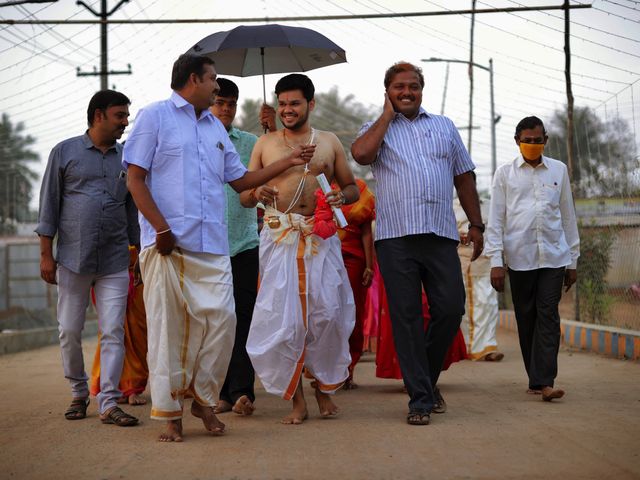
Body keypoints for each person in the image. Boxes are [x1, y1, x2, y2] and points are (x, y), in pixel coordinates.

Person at [124, 54, 315, 442]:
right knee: (169, 330)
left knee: (223, 324)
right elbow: (135, 179)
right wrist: (160, 228)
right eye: (212, 80)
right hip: (168, 245)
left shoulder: (213, 127)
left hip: (213, 244)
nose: (217, 87)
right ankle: (171, 414)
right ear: (194, 79)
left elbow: (242, 180)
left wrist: (290, 160)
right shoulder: (154, 116)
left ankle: (203, 399)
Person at [351, 62, 484, 426]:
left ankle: (422, 379)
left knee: (450, 308)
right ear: (387, 92)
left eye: (412, 86)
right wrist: (385, 117)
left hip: (440, 235)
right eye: (398, 87)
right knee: (406, 317)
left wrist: (476, 224)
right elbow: (361, 155)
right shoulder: (375, 130)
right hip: (395, 239)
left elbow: (463, 176)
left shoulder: (443, 126)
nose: (406, 92)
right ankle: (421, 399)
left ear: (421, 90)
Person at [240, 73, 359, 425]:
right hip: (280, 239)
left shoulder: (329, 142)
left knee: (327, 317)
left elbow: (351, 187)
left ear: (311, 104)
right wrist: (257, 193)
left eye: (294, 103)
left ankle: (324, 390)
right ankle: (298, 401)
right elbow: (245, 195)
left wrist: (341, 196)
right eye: (282, 104)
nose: (287, 110)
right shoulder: (266, 145)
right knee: (285, 322)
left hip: (321, 240)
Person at [36, 89, 140, 427]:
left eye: (126, 116)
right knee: (69, 330)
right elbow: (49, 204)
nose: (125, 122)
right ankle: (79, 393)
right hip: (71, 259)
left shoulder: (127, 158)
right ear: (98, 116)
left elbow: (132, 209)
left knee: (113, 330)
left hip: (114, 259)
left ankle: (109, 402)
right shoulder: (64, 152)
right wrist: (45, 255)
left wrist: (137, 251)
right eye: (119, 115)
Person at [485, 115, 579, 402]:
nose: (533, 145)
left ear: (545, 141)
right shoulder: (504, 174)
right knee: (526, 318)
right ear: (517, 141)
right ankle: (535, 379)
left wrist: (572, 260)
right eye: (527, 141)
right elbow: (496, 219)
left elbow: (567, 215)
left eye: (538, 141)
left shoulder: (559, 170)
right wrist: (496, 261)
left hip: (554, 255)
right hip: (520, 257)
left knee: (548, 314)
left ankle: (545, 381)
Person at [209, 78, 264, 416]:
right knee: (214, 320)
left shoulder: (251, 142)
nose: (226, 108)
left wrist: (272, 132)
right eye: (219, 102)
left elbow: (272, 168)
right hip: (206, 246)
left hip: (244, 243)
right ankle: (216, 389)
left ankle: (241, 391)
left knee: (244, 317)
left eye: (231, 102)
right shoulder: (193, 141)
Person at [90, 246, 148, 406]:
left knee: (137, 338)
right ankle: (116, 388)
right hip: (109, 278)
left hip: (137, 280)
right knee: (111, 334)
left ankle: (132, 389)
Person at [332, 178, 375, 389]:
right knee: (325, 313)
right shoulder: (314, 183)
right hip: (322, 256)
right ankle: (325, 371)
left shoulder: (359, 189)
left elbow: (367, 231)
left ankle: (347, 371)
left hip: (353, 260)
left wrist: (369, 265)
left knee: (351, 314)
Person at [454, 186, 504, 362]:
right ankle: (465, 347)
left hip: (485, 264)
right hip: (460, 264)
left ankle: (487, 347)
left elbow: (498, 230)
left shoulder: (489, 206)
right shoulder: (451, 207)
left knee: (488, 304)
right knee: (463, 308)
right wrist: (458, 236)